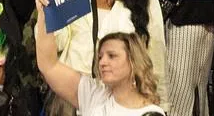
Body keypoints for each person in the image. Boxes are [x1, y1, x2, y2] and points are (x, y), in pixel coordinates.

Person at [46, 0, 169, 112]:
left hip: (123, 102)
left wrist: (161, 104)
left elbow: (156, 55)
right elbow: (56, 44)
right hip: (72, 97)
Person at [34, 7, 165, 116]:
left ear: (133, 60)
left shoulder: (150, 113)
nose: (102, 62)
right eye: (100, 57)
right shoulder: (94, 93)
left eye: (112, 56)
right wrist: (44, 14)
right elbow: (49, 65)